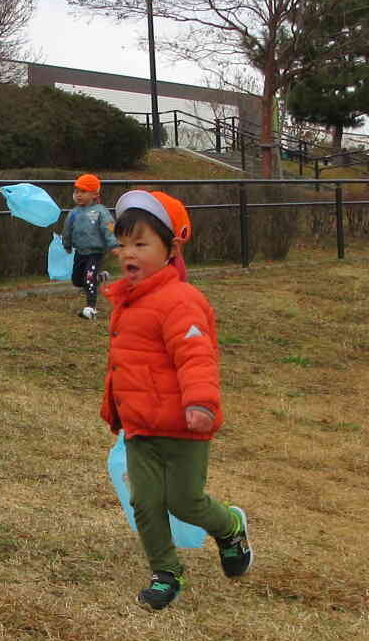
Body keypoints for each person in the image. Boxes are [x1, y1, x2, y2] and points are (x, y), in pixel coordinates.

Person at [100, 189, 251, 609]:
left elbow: (196, 356)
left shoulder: (181, 301)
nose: (128, 253)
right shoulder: (127, 302)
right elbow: (127, 364)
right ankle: (166, 572)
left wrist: (200, 403)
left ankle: (230, 527)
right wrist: (117, 409)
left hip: (183, 426)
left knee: (185, 502)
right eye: (123, 244)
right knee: (146, 503)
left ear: (171, 250)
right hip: (140, 427)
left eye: (141, 243)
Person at [61, 172, 119, 318]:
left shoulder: (100, 212)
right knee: (77, 280)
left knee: (88, 279)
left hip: (95, 253)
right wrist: (67, 244)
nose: (78, 195)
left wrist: (114, 245)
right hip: (80, 252)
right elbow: (67, 230)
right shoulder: (73, 213)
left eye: (83, 191)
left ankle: (90, 307)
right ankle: (98, 278)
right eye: (76, 191)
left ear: (94, 194)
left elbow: (109, 228)